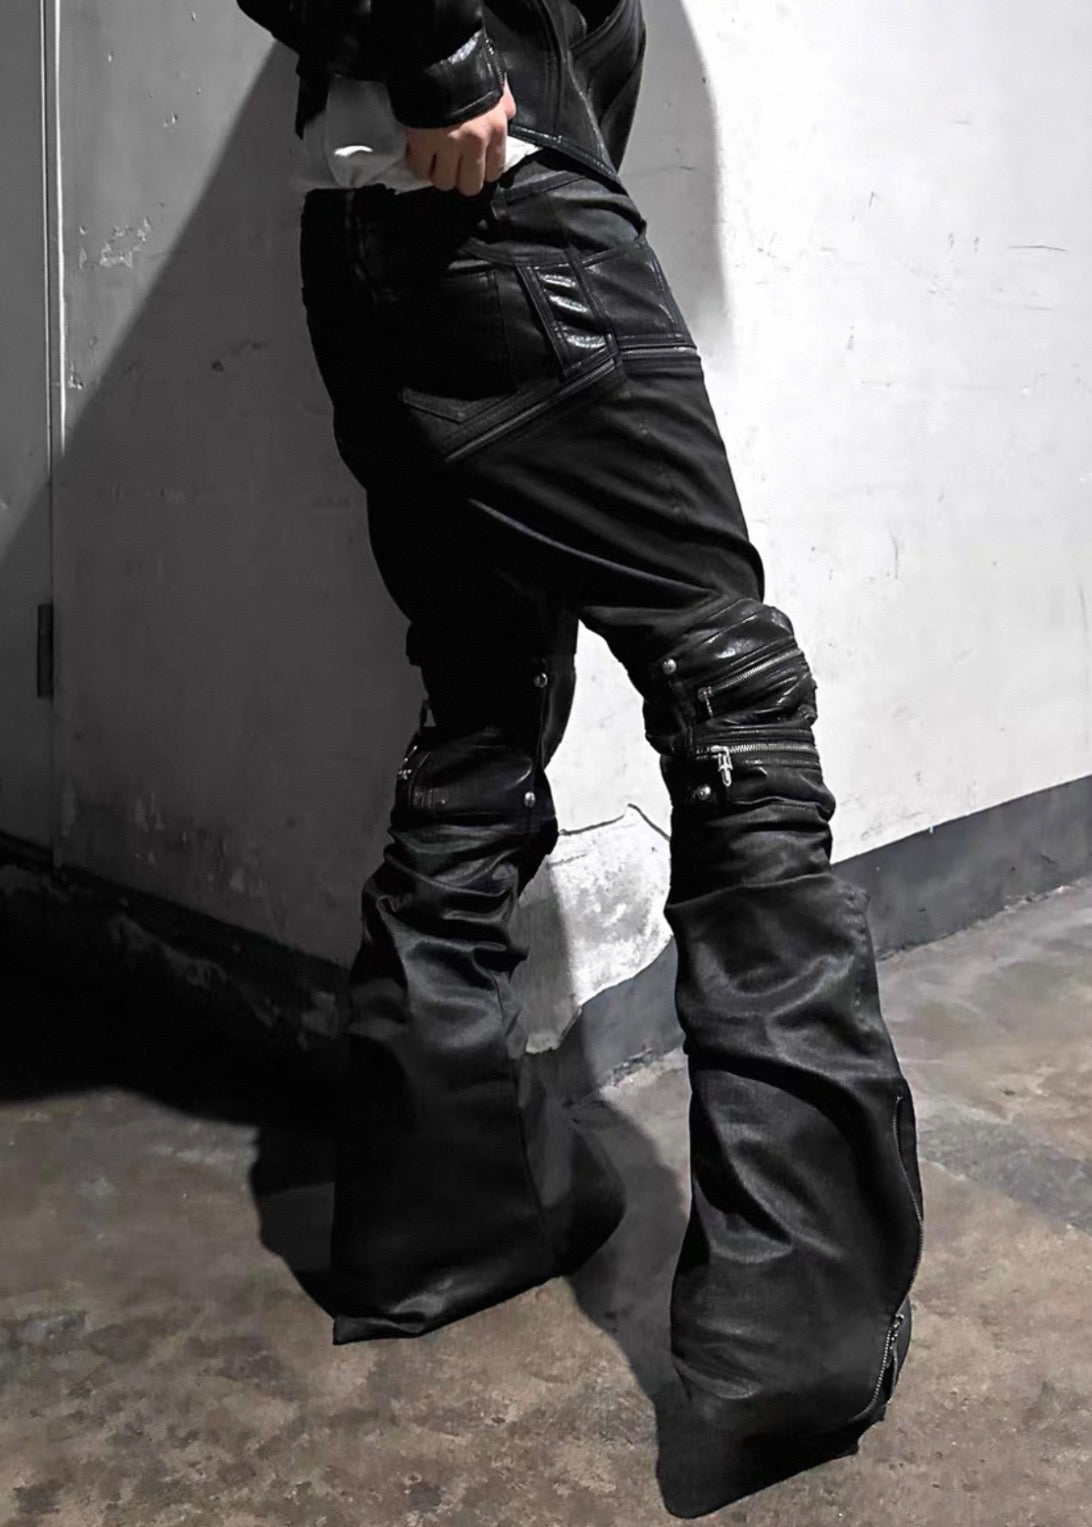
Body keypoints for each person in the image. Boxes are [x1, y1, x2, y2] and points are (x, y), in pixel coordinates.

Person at [235, 0, 925, 1506]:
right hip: (514, 228)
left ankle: (443, 1219)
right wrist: (445, 53)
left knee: (484, 701)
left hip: (362, 252)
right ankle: (794, 1327)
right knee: (729, 689)